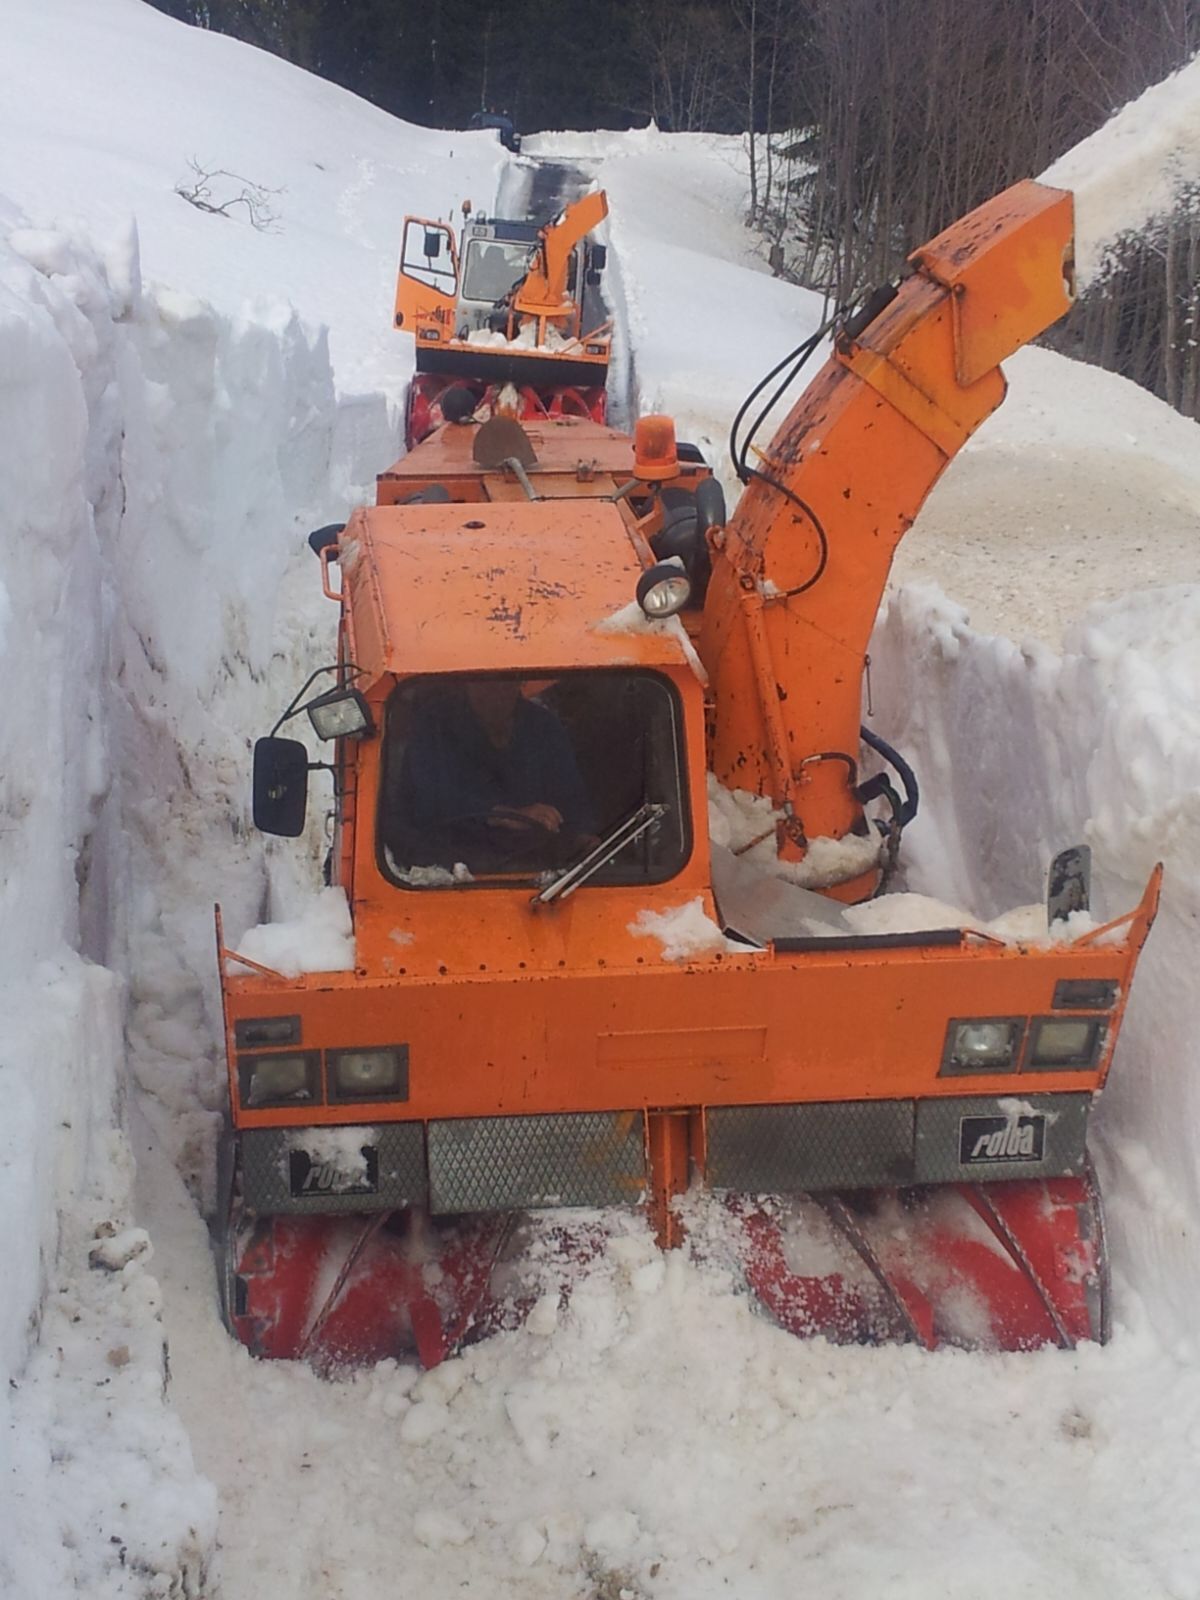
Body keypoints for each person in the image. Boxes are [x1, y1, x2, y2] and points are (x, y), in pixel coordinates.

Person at [395, 679, 595, 870]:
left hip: (539, 871)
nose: (497, 693)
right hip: (444, 869)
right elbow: (426, 798)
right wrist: (504, 815)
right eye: (487, 685)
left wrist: (583, 839)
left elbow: (571, 798)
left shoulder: (545, 727)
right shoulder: (433, 724)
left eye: (506, 684)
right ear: (468, 682)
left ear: (520, 682)